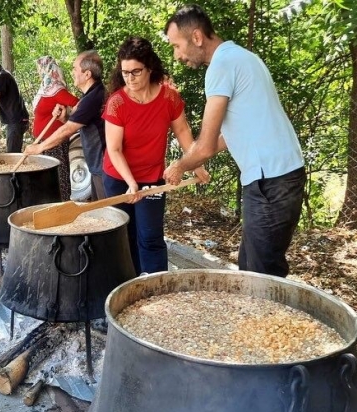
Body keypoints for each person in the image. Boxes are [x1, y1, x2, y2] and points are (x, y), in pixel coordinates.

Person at [163, 4, 306, 277]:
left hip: (271, 180)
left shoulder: (222, 65)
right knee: (249, 268)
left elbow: (205, 146)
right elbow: (228, 135)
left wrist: (180, 165)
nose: (177, 56)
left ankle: (271, 321)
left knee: (262, 277)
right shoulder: (242, 57)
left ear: (196, 37)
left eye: (177, 46)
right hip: (278, 176)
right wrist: (194, 162)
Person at [102, 37, 209, 276]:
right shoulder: (116, 103)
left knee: (150, 235)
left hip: (152, 178)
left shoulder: (169, 97)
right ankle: (127, 288)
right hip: (119, 178)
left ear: (150, 68)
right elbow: (114, 149)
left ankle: (156, 288)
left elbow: (182, 130)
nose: (130, 78)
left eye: (136, 72)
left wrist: (195, 163)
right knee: (124, 234)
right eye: (125, 73)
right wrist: (130, 183)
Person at [24, 50, 108, 200]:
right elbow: (81, 122)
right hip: (97, 164)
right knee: (101, 208)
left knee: (108, 212)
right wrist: (66, 118)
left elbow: (69, 129)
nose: (72, 72)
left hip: (103, 165)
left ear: (87, 74)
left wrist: (39, 147)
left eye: (75, 69)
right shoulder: (89, 96)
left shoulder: (93, 98)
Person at [31, 56, 79, 201]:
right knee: (44, 178)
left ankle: (62, 207)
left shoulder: (57, 90)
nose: (39, 72)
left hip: (54, 142)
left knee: (58, 178)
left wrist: (69, 119)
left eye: (41, 69)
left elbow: (79, 104)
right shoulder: (46, 89)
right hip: (41, 141)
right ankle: (47, 205)